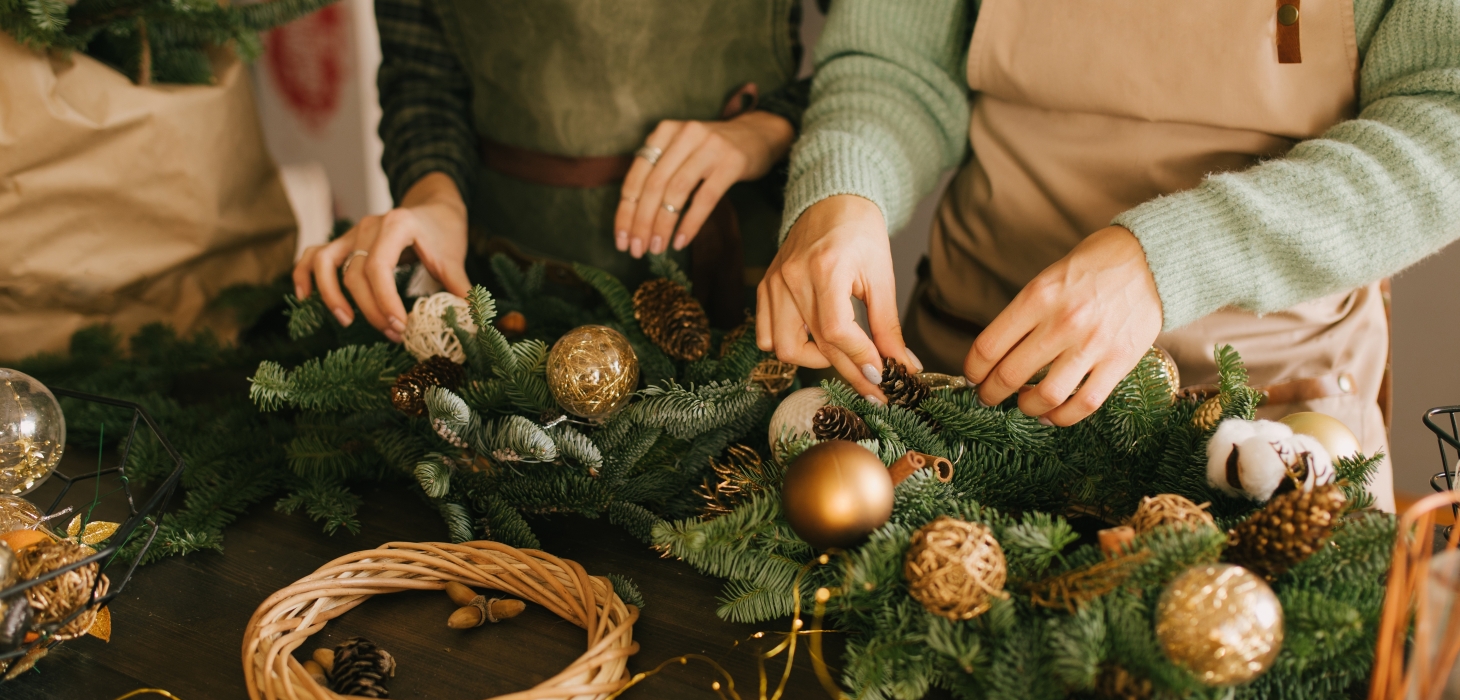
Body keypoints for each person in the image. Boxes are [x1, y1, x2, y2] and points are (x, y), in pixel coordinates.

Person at [761, 0, 1460, 511]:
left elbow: (1445, 117)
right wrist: (847, 186)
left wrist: (1169, 258)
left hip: (1268, 425)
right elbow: (897, 59)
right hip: (957, 389)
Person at [292, 0, 818, 342]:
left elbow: (880, 62)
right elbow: (422, 77)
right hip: (507, 292)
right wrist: (436, 198)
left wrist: (770, 127)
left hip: (743, 285)